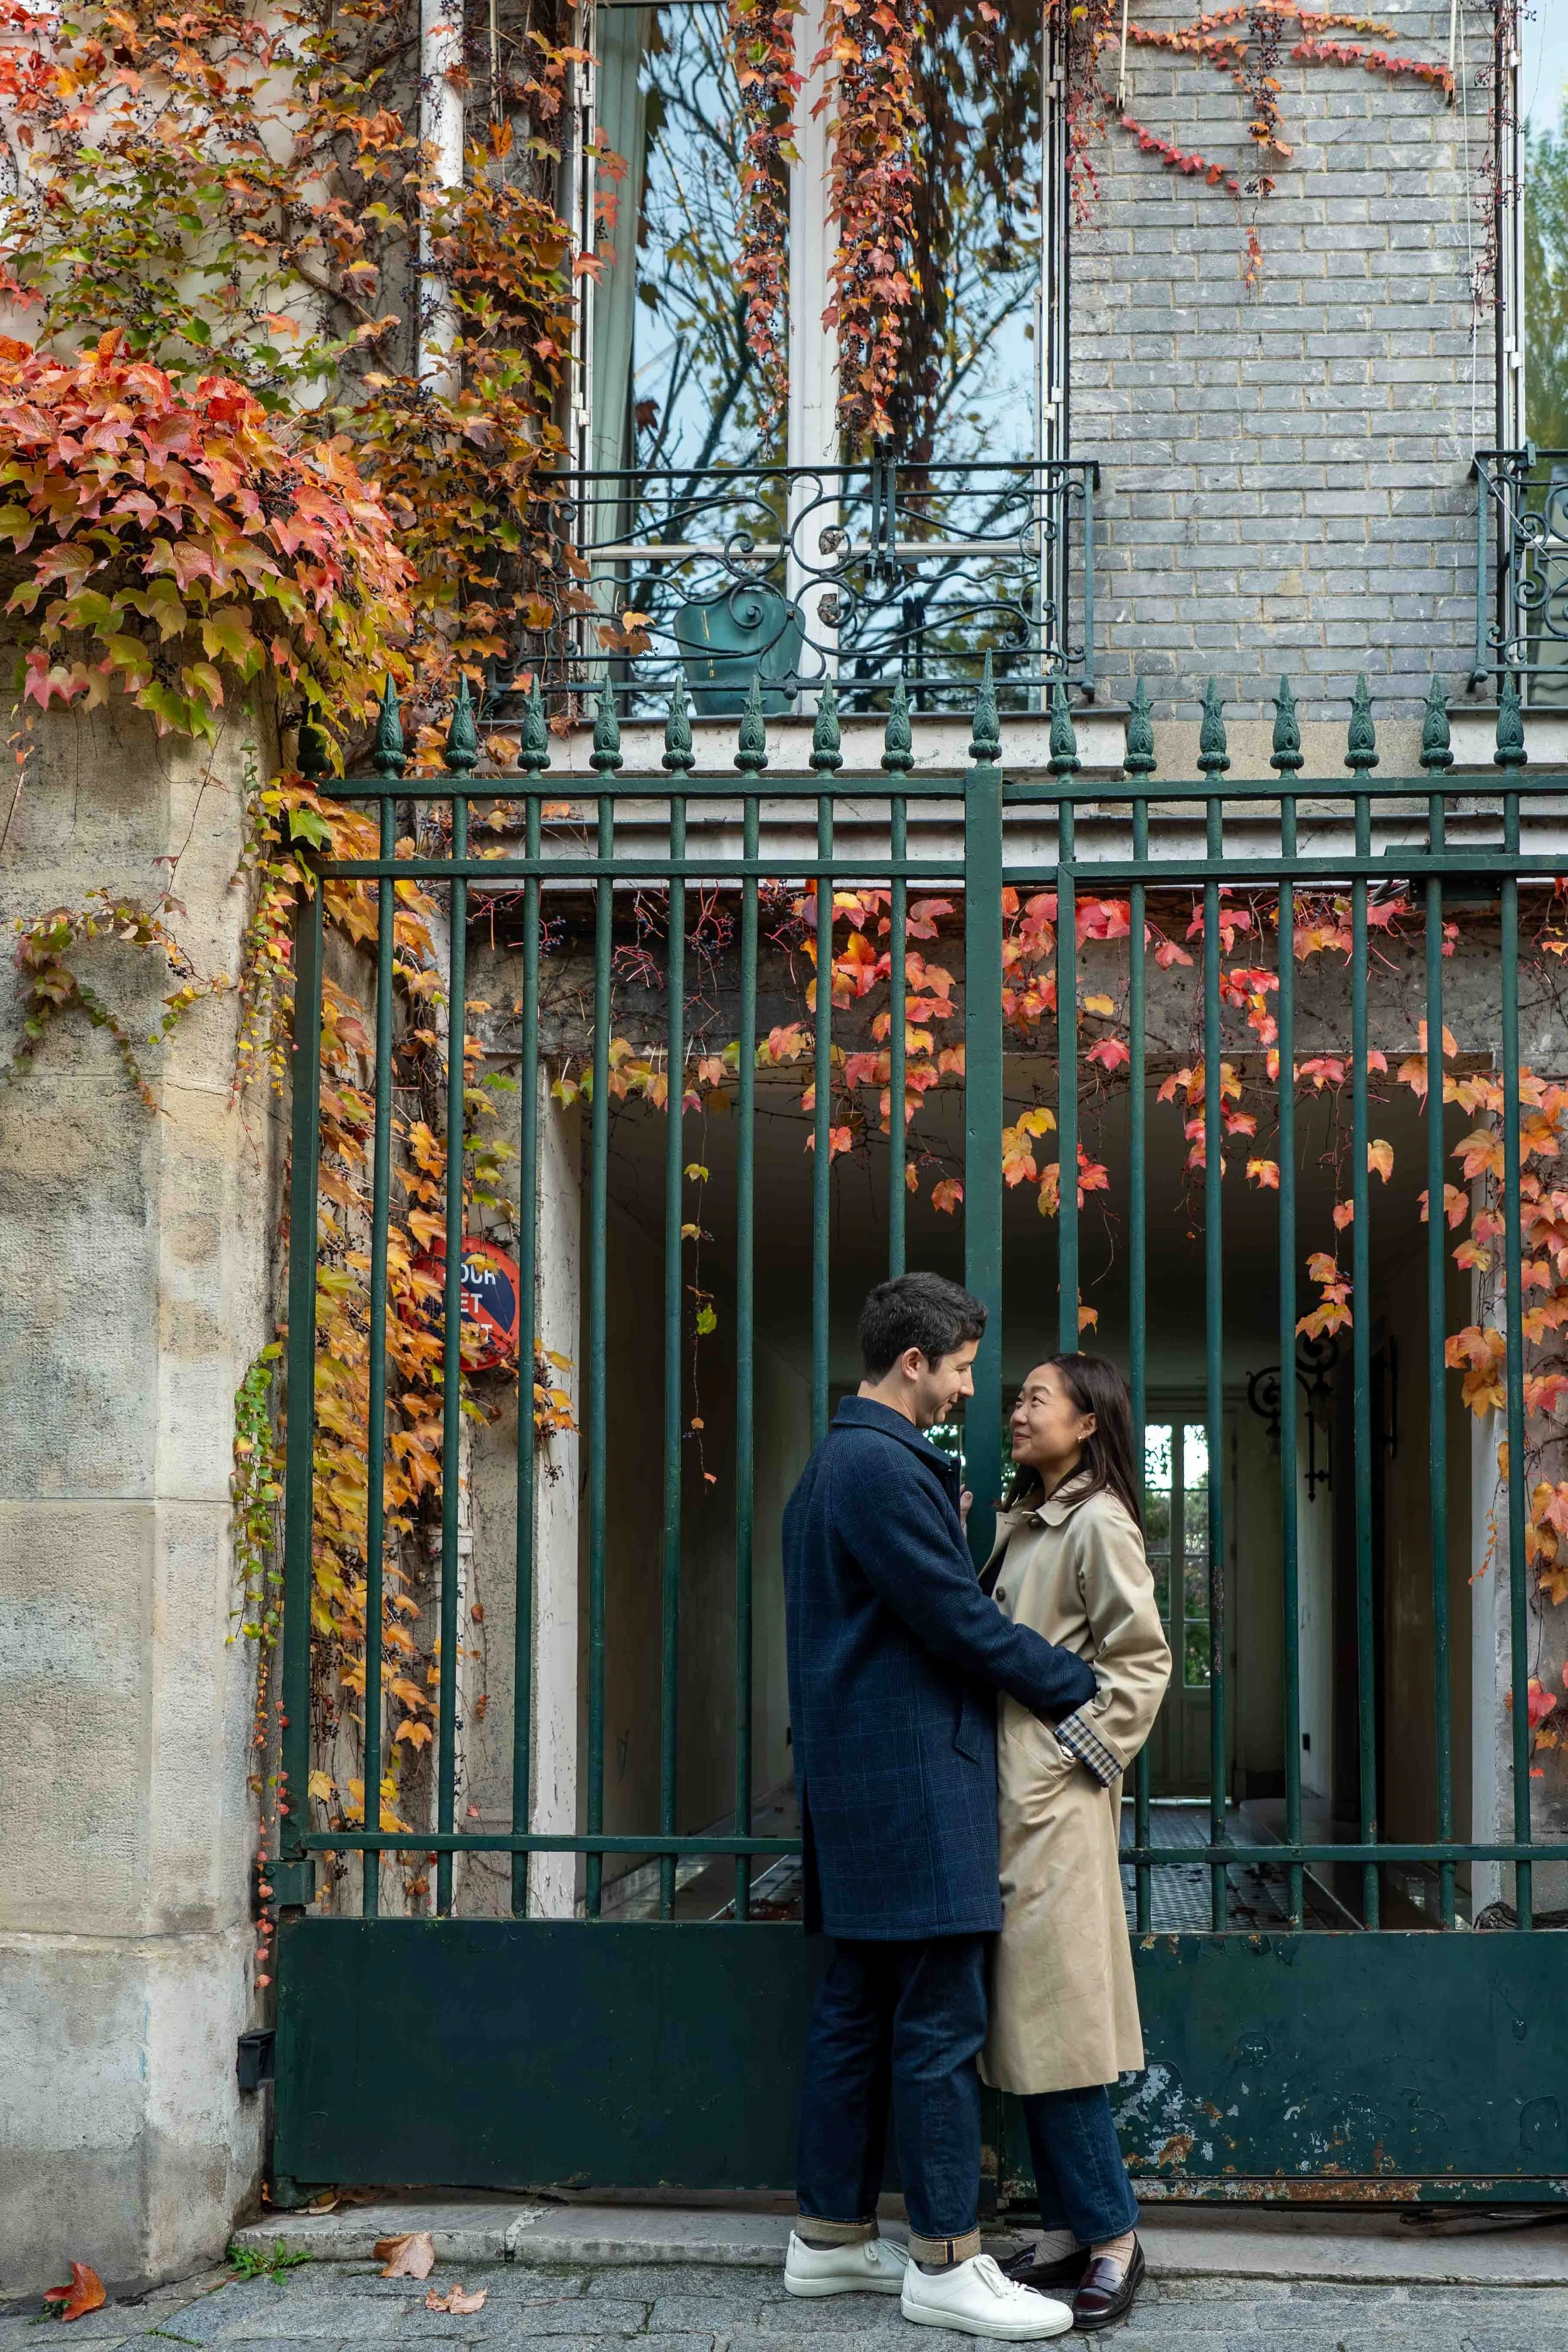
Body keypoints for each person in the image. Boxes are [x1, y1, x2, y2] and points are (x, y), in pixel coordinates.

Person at [780, 1273, 1110, 2342]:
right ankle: (947, 2261)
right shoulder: (880, 1465)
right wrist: (1073, 1683)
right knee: (939, 2022)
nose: (972, 1387)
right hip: (914, 1781)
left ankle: (829, 2236)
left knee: (856, 2009)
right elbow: (957, 1620)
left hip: (859, 1779)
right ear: (913, 1361)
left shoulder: (837, 1464)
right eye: (962, 1367)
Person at [983, 1355, 1172, 2334]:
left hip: (1052, 1803)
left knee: (1055, 2023)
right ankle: (1064, 2230)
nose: (1017, 1411)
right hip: (1012, 1798)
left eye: (1036, 1398)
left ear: (1089, 1421)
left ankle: (1113, 2236)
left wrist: (1067, 1759)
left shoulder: (1097, 1521)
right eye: (1017, 1397)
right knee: (1028, 2022)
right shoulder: (1029, 1519)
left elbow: (1143, 1661)